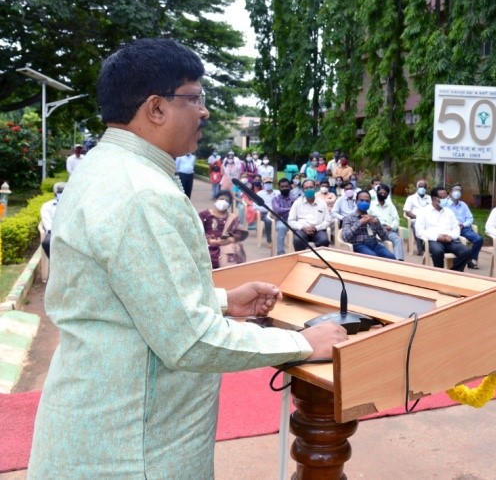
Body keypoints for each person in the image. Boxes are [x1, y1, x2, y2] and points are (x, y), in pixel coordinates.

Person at [28, 38, 347, 479]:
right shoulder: (143, 193)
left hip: (101, 430)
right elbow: (190, 341)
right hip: (133, 452)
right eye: (194, 98)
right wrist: (302, 344)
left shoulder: (105, 168)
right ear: (156, 109)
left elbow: (125, 291)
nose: (204, 111)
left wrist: (221, 302)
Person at [415, 186, 471, 271]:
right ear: (434, 198)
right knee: (437, 251)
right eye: (442, 198)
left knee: (466, 251)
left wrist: (451, 236)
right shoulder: (423, 212)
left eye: (446, 197)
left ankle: (453, 273)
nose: (445, 200)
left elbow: (456, 227)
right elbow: (419, 231)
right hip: (433, 241)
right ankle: (440, 274)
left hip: (449, 240)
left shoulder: (449, 212)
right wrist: (437, 237)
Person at [341, 190, 397, 259]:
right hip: (358, 245)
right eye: (361, 200)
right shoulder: (348, 218)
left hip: (374, 244)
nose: (364, 203)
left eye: (367, 201)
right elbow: (345, 237)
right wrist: (360, 223)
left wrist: (377, 223)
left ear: (370, 203)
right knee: (373, 257)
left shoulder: (373, 218)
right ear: (356, 201)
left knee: (391, 257)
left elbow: (385, 237)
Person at [199, 190, 247, 269]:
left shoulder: (232, 218)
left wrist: (230, 239)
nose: (223, 202)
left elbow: (239, 233)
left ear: (229, 205)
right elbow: (197, 230)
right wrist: (210, 240)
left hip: (225, 245)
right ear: (216, 200)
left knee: (233, 249)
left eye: (226, 201)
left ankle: (227, 276)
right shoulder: (205, 215)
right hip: (207, 244)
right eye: (221, 199)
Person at [443, 183, 483, 269]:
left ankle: (471, 260)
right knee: (456, 244)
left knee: (479, 239)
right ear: (450, 192)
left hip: (463, 228)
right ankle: (459, 260)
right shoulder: (445, 204)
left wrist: (463, 224)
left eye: (459, 190)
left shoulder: (463, 205)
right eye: (455, 190)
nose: (457, 192)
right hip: (451, 229)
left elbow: (470, 218)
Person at [287, 178, 332, 252]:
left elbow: (327, 220)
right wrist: (303, 228)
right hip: (302, 230)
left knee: (324, 240)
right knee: (298, 240)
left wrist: (316, 228)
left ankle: (319, 261)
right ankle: (301, 259)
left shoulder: (322, 203)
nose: (309, 190)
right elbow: (291, 220)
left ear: (315, 188)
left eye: (311, 187)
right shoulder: (297, 203)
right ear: (303, 190)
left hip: (318, 230)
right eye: (306, 188)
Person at [368, 183, 405, 261]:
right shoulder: (371, 206)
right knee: (381, 245)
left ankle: (399, 261)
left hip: (389, 230)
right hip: (376, 232)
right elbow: (368, 219)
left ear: (387, 195)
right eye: (381, 193)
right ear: (377, 193)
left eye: (385, 193)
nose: (382, 194)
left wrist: (391, 227)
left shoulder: (391, 206)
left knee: (397, 240)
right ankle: (386, 261)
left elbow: (396, 219)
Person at [403, 179, 432, 255]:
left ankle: (430, 247)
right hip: (415, 219)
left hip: (428, 220)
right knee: (418, 225)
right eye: (420, 186)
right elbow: (407, 211)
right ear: (417, 187)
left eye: (424, 187)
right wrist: (419, 217)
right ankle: (420, 250)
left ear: (426, 188)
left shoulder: (429, 198)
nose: (422, 188)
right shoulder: (411, 198)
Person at [39, 182, 65, 258]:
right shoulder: (47, 206)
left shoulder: (73, 205)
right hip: (53, 233)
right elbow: (48, 224)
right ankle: (56, 264)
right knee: (47, 243)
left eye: (65, 191)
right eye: (60, 191)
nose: (63, 193)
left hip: (70, 233)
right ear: (55, 193)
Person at [272, 177, 296, 255]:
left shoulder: (294, 198)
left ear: (290, 187)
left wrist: (285, 209)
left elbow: (298, 210)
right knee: (281, 227)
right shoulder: (275, 199)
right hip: (281, 220)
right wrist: (291, 208)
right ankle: (280, 254)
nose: (284, 188)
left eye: (286, 186)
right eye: (282, 187)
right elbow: (278, 211)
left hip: (294, 220)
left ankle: (299, 252)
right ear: (279, 188)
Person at [255, 177, 277, 245]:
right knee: (268, 221)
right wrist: (268, 209)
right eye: (266, 183)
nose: (268, 184)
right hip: (265, 213)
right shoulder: (259, 194)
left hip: (277, 213)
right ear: (263, 184)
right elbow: (255, 206)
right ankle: (269, 240)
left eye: (269, 183)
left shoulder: (277, 192)